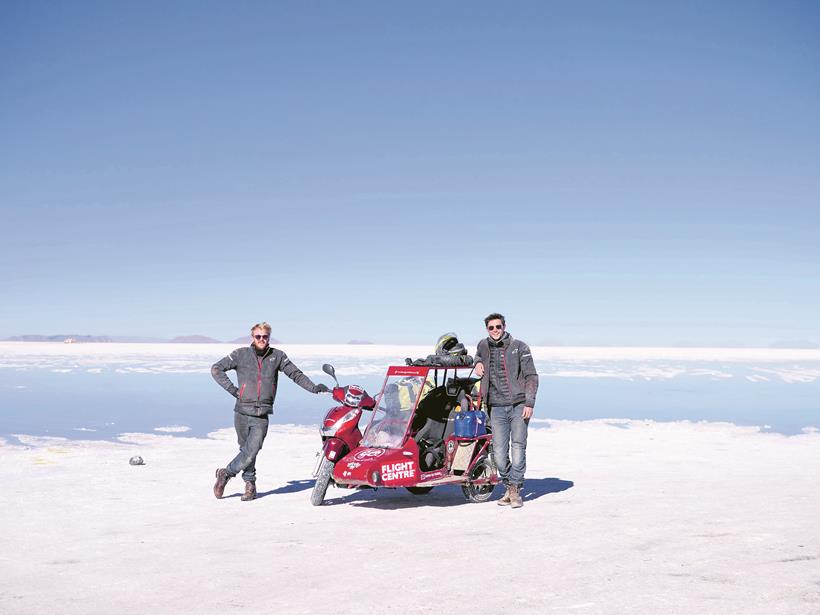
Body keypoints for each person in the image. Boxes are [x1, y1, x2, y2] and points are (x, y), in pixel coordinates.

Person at [210, 321, 329, 501]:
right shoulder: (240, 355)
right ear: (253, 337)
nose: (261, 340)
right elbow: (216, 369)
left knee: (252, 449)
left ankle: (225, 473)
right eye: (258, 336)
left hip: (262, 413)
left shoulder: (278, 356)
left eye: (265, 337)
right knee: (246, 450)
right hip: (241, 411)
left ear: (269, 338)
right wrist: (234, 391)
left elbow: (295, 374)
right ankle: (250, 485)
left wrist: (313, 388)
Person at [473, 313, 538, 509]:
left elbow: (532, 376)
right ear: (487, 329)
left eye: (498, 327)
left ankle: (515, 489)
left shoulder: (519, 347)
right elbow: (477, 355)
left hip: (518, 405)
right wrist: (477, 362)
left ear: (504, 326)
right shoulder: (483, 345)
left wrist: (529, 403)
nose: (495, 330)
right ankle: (510, 485)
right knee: (499, 454)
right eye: (491, 328)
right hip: (496, 407)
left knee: (518, 447)